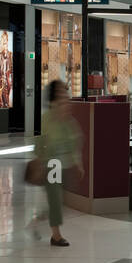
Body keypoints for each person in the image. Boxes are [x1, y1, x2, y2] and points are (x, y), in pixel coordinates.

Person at [33, 80, 83, 245]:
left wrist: (78, 163)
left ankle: (36, 221)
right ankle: (56, 235)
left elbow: (76, 139)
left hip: (66, 163)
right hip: (52, 162)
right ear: (53, 98)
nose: (64, 95)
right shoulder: (47, 118)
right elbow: (42, 142)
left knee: (59, 201)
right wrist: (39, 162)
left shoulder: (67, 116)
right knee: (55, 200)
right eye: (61, 92)